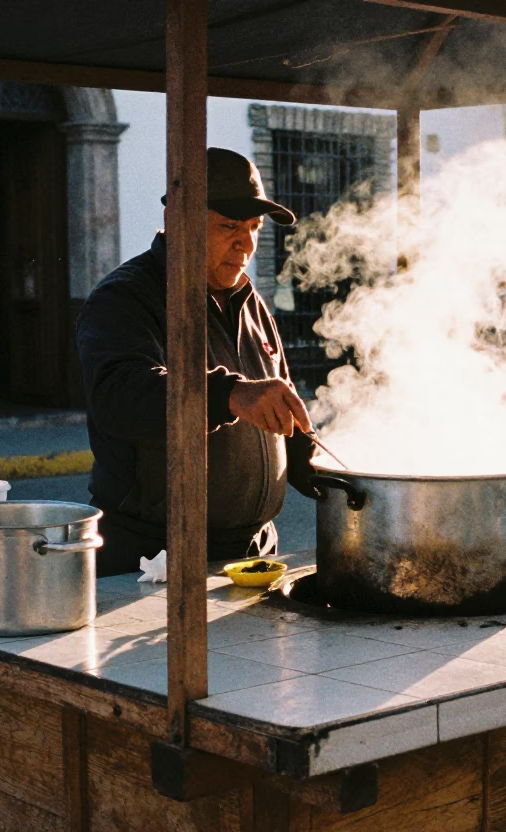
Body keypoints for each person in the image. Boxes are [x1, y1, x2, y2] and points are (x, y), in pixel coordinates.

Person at [76, 148, 318, 577]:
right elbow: (121, 397)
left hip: (253, 552)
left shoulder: (249, 300)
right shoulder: (126, 297)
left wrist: (335, 471)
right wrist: (230, 394)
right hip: (154, 558)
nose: (246, 243)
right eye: (229, 226)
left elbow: (282, 411)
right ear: (178, 222)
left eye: (254, 227)